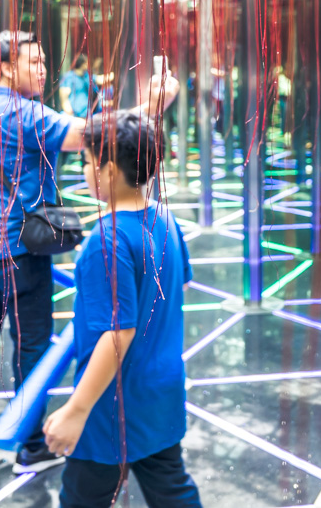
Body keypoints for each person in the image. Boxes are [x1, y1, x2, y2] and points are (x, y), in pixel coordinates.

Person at [0, 31, 178, 474]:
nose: (41, 69)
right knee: (31, 345)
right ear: (4, 67)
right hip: (16, 249)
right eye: (32, 61)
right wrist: (153, 106)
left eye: (42, 60)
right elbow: (95, 134)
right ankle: (33, 446)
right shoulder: (22, 113)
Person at [44, 111, 201, 508]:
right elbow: (176, 284)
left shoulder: (106, 241)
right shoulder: (166, 220)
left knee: (82, 499)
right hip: (160, 391)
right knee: (173, 491)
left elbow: (118, 333)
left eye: (85, 160)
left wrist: (77, 410)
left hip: (113, 405)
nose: (82, 169)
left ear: (108, 168)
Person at [58, 54, 100, 119]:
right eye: (87, 63)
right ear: (83, 64)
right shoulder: (69, 77)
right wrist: (68, 110)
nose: (89, 65)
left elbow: (100, 79)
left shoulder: (87, 76)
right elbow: (64, 96)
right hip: (73, 115)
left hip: (87, 114)